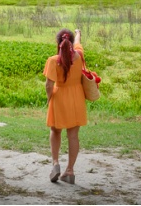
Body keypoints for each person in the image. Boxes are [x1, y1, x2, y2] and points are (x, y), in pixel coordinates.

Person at [43, 28, 87, 184]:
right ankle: (70, 171)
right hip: (77, 97)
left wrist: (49, 99)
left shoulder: (53, 60)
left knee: (55, 131)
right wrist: (78, 33)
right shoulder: (79, 55)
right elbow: (78, 43)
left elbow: (49, 85)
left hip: (60, 97)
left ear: (58, 42)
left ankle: (55, 163)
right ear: (70, 42)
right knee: (73, 136)